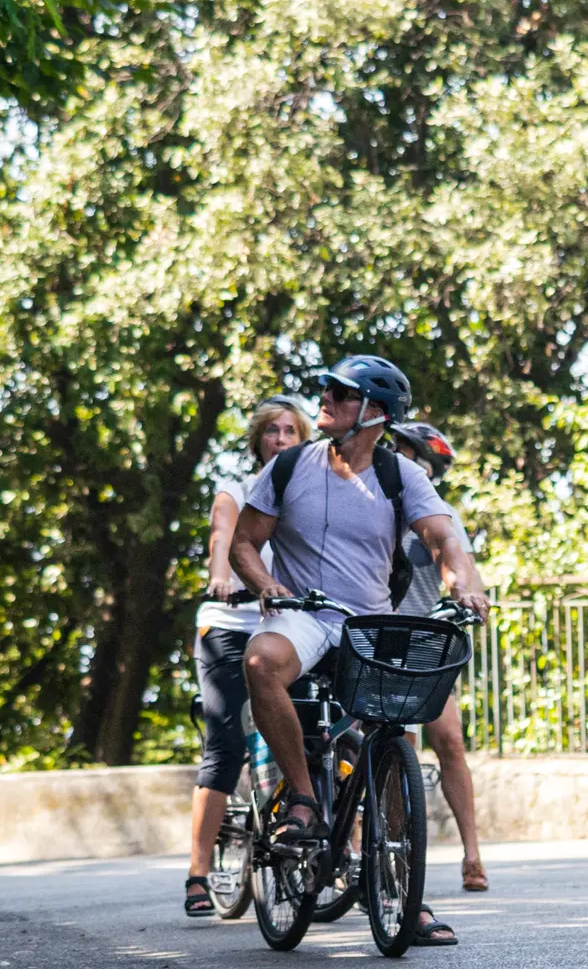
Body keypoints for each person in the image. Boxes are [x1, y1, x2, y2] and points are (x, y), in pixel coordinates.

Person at [232, 355, 491, 946]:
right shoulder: (291, 466)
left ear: (374, 413)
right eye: (326, 388)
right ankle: (301, 797)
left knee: (392, 739)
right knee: (260, 662)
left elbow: (444, 536)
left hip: (366, 622)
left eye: (340, 393)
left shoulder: (401, 477)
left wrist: (466, 586)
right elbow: (245, 543)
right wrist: (265, 584)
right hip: (302, 615)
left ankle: (406, 897)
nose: (324, 398)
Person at [183, 395, 313, 917]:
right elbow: (224, 535)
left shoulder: (308, 496)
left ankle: (335, 845)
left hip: (285, 628)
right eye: (272, 432)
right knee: (226, 743)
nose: (281, 440)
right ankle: (197, 873)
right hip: (229, 625)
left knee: (318, 731)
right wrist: (220, 575)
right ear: (258, 440)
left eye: (291, 433)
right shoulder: (238, 489)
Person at [387, 422, 490, 896]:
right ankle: (390, 851)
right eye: (397, 452)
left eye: (410, 455)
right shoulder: (373, 503)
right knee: (396, 745)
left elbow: (464, 567)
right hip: (375, 640)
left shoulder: (440, 514)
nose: (400, 460)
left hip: (424, 640)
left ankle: (472, 852)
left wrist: (472, 596)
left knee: (448, 739)